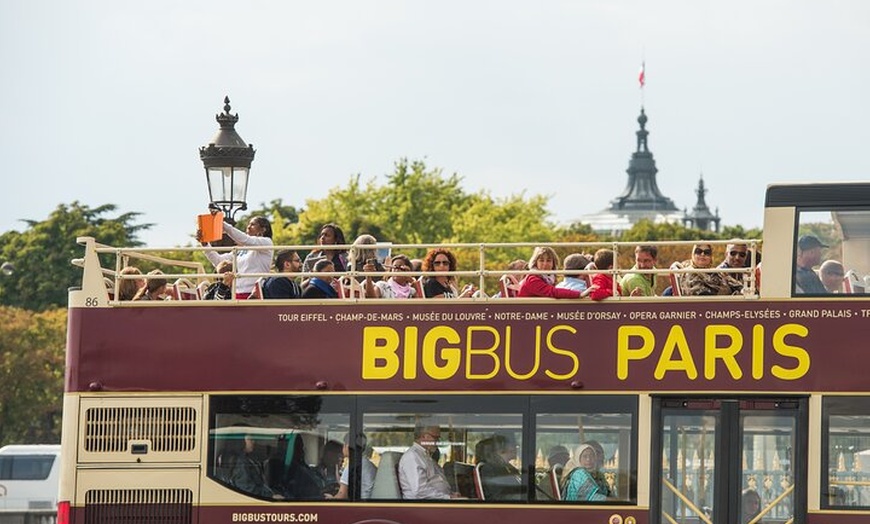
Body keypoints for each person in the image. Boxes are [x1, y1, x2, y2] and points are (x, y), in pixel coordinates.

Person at [200, 216, 274, 299]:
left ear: (263, 229)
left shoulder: (267, 242)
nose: (248, 227)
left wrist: (222, 224)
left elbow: (245, 239)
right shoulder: (241, 249)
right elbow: (219, 261)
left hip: (255, 294)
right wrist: (205, 244)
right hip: (237, 293)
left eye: (253, 224)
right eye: (248, 224)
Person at [398, 424, 457, 499]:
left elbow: (437, 480)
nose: (437, 442)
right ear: (424, 436)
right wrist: (448, 497)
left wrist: (452, 494)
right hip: (423, 506)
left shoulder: (425, 456)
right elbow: (420, 491)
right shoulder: (412, 457)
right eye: (435, 438)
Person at [518, 246, 596, 299]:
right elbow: (552, 292)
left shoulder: (548, 278)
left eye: (548, 261)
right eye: (541, 260)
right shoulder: (533, 278)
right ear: (535, 263)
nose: (545, 264)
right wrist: (580, 294)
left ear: (553, 263)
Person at [223, 431, 281, 499]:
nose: (253, 441)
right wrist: (271, 496)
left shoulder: (246, 458)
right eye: (250, 439)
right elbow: (247, 488)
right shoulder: (240, 463)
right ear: (241, 442)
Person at [676, 243, 742, 296]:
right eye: (698, 251)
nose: (702, 254)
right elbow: (702, 295)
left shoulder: (716, 272)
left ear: (710, 257)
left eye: (707, 252)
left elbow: (736, 285)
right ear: (693, 254)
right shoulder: (689, 272)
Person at [328, 434, 377, 500]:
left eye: (344, 445)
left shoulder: (352, 466)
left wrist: (331, 498)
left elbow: (342, 496)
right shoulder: (368, 464)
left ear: (348, 446)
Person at [476, 434, 523, 501]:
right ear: (502, 448)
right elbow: (498, 497)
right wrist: (525, 496)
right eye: (513, 444)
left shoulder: (508, 468)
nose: (516, 447)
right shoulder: (489, 469)